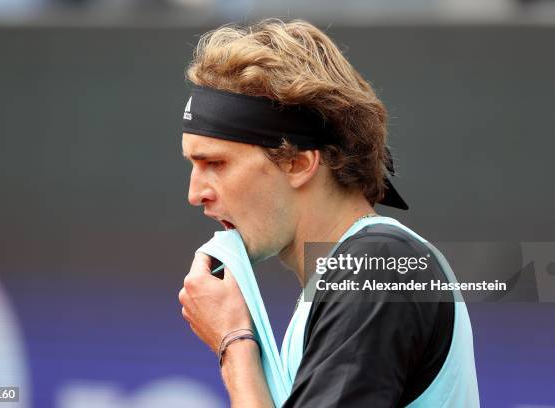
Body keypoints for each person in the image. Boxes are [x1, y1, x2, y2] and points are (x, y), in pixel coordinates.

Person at [178, 19, 479, 407]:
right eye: (193, 164)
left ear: (298, 164)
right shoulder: (343, 280)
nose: (195, 193)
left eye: (215, 163)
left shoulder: (378, 267)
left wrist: (234, 344)